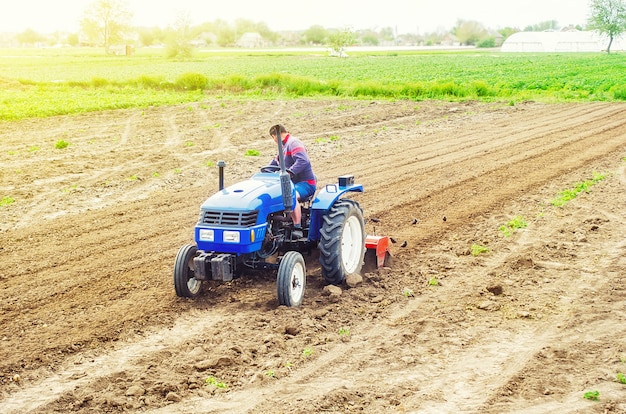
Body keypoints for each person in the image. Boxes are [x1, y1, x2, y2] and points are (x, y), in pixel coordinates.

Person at [268, 124, 317, 235]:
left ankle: (297, 227)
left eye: (273, 138)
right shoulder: (284, 148)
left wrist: (289, 172)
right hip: (291, 184)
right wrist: (262, 174)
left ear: (274, 136)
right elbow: (274, 164)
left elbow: (303, 161)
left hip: (305, 184)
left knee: (290, 195)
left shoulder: (293, 143)